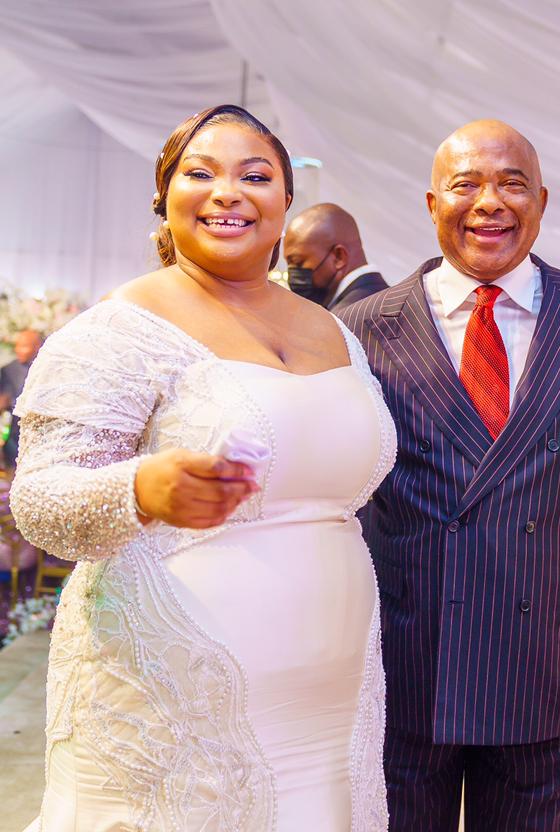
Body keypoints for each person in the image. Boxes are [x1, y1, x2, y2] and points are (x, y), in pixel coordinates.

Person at [10, 104, 396, 830]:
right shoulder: (118, 329)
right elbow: (40, 503)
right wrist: (138, 489)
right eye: (200, 173)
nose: (228, 193)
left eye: (256, 176)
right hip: (176, 703)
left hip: (332, 695)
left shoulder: (334, 333)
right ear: (164, 197)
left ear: (286, 201)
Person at [337, 119, 560, 831]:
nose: (489, 202)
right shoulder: (365, 327)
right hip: (409, 657)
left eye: (512, 184)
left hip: (547, 654)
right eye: (467, 184)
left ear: (541, 202)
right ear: (433, 205)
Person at [284, 202, 389, 311]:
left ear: (339, 257)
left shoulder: (342, 318)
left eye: (298, 262)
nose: (292, 274)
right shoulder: (390, 300)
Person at [0, 329, 42, 468]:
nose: (18, 350)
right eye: (17, 346)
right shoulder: (8, 369)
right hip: (14, 429)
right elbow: (4, 397)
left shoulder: (45, 367)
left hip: (39, 428)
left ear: (37, 346)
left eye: (24, 346)